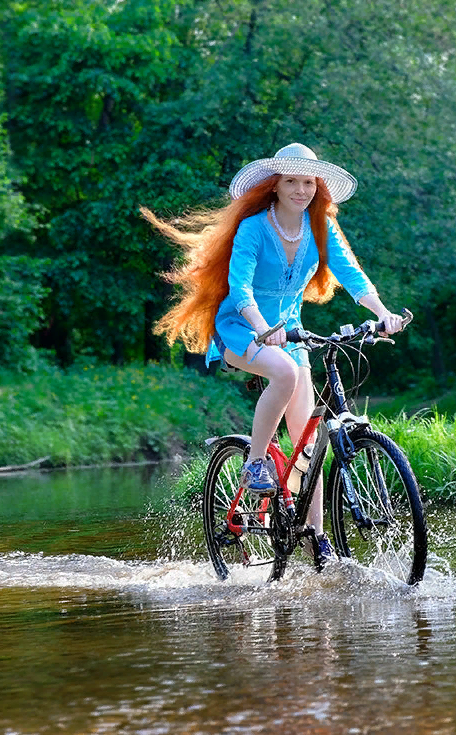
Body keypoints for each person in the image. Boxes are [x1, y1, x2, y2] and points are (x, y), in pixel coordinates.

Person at [142, 143, 404, 551]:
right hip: (240, 328)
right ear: (275, 186)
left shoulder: (321, 228)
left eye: (308, 182)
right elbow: (240, 287)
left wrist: (383, 313)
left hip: (291, 331)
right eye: (291, 182)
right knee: (282, 371)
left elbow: (352, 275)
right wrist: (263, 328)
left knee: (310, 441)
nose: (301, 190)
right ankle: (254, 463)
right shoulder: (253, 228)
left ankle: (317, 538)